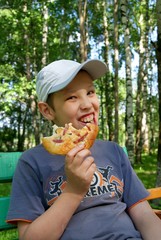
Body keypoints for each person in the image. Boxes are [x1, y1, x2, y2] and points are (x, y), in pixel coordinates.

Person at [7, 59, 161, 240]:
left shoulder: (113, 152)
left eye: (90, 92)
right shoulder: (32, 162)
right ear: (47, 110)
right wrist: (74, 190)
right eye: (72, 97)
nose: (88, 104)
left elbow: (144, 217)